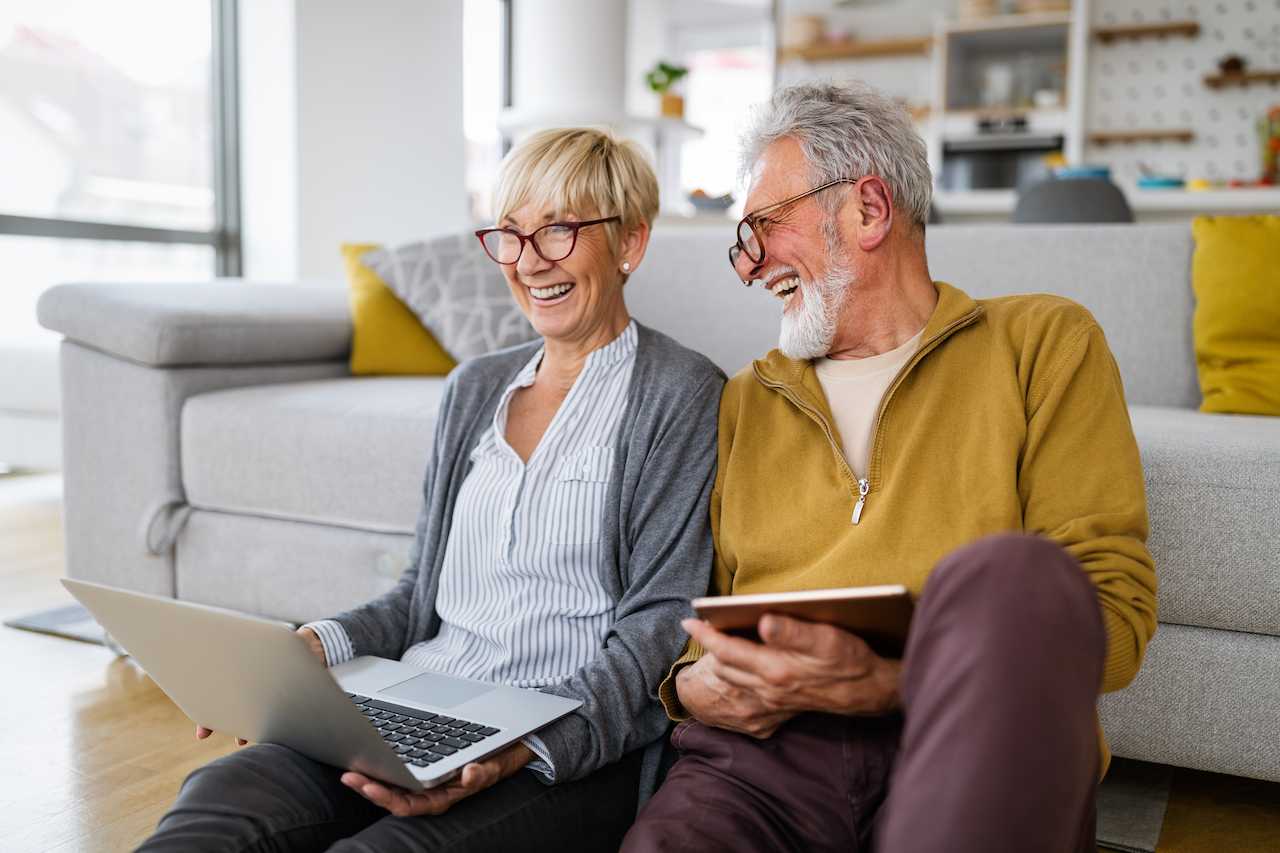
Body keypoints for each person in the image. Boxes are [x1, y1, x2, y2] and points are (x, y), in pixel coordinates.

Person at [140, 127, 725, 853]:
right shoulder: (475, 386)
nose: (528, 261)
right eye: (510, 234)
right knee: (224, 798)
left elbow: (657, 632)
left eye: (560, 230)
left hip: (559, 751)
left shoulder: (682, 393)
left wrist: (519, 746)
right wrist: (312, 649)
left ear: (630, 242)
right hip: (416, 702)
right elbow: (421, 594)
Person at [623, 82, 1157, 853]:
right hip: (763, 760)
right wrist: (695, 687)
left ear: (868, 209)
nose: (751, 266)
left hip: (968, 736)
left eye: (764, 228)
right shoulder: (747, 397)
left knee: (1017, 576)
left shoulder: (1043, 344)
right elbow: (700, 617)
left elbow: (1113, 620)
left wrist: (890, 683)